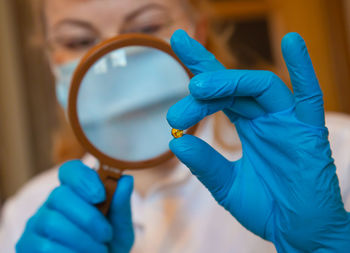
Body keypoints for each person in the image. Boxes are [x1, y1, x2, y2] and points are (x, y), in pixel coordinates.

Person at [1, 0, 350, 252]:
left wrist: (330, 246)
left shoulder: (335, 154)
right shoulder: (29, 215)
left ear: (198, 32)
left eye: (147, 27)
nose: (114, 56)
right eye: (78, 41)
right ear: (51, 61)